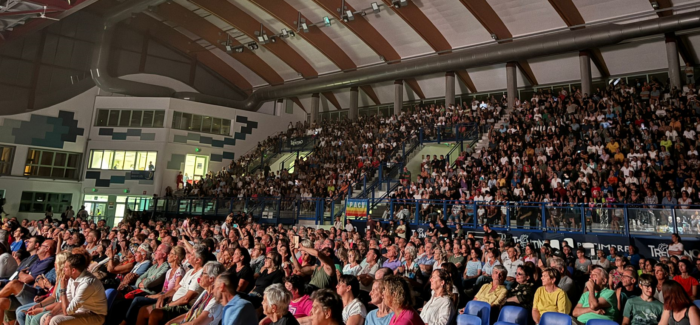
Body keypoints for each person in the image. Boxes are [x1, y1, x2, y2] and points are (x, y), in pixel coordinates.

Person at [43, 254, 108, 325]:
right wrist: (51, 314)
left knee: (55, 321)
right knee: (45, 317)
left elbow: (67, 311)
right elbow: (65, 301)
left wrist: (63, 289)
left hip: (95, 315)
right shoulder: (72, 278)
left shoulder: (87, 284)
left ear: (73, 270)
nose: (63, 269)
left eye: (65, 267)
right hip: (78, 311)